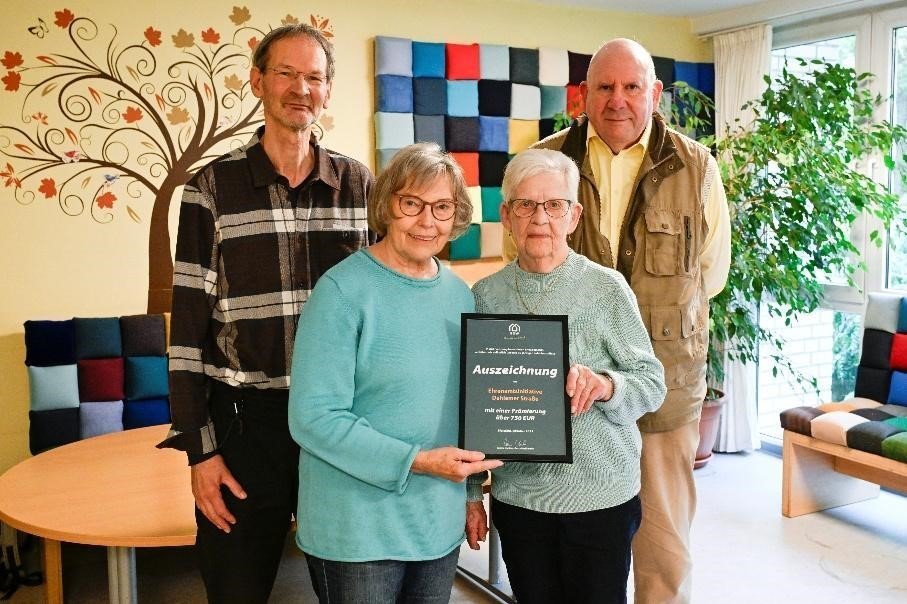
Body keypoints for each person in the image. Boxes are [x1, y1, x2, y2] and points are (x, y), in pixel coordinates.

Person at [503, 38, 731, 603]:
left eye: (632, 87)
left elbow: (712, 273)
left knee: (663, 550)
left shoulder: (696, 165)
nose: (618, 100)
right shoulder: (551, 160)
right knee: (577, 547)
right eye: (604, 86)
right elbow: (524, 267)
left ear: (654, 93)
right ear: (583, 95)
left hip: (663, 389)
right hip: (567, 397)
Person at [160, 24, 376, 603]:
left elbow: (391, 301)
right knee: (237, 587)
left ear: (328, 91)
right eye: (286, 73)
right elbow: (186, 332)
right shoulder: (212, 187)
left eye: (314, 77)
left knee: (354, 587)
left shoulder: (358, 186)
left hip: (341, 419)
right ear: (258, 81)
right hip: (246, 424)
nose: (300, 88)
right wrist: (200, 452)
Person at [288, 142, 503, 603]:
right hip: (358, 527)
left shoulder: (458, 296)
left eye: (442, 207)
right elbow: (313, 418)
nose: (428, 221)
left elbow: (466, 409)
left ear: (456, 215)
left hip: (436, 519)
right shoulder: (342, 291)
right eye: (412, 203)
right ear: (387, 205)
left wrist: (469, 495)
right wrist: (419, 461)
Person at [473, 148, 666, 604]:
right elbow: (472, 404)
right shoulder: (485, 296)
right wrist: (469, 494)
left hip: (600, 496)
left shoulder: (606, 288)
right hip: (520, 498)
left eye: (554, 205)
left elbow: (652, 382)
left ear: (574, 215)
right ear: (506, 215)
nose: (540, 218)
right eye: (525, 204)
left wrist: (606, 384)